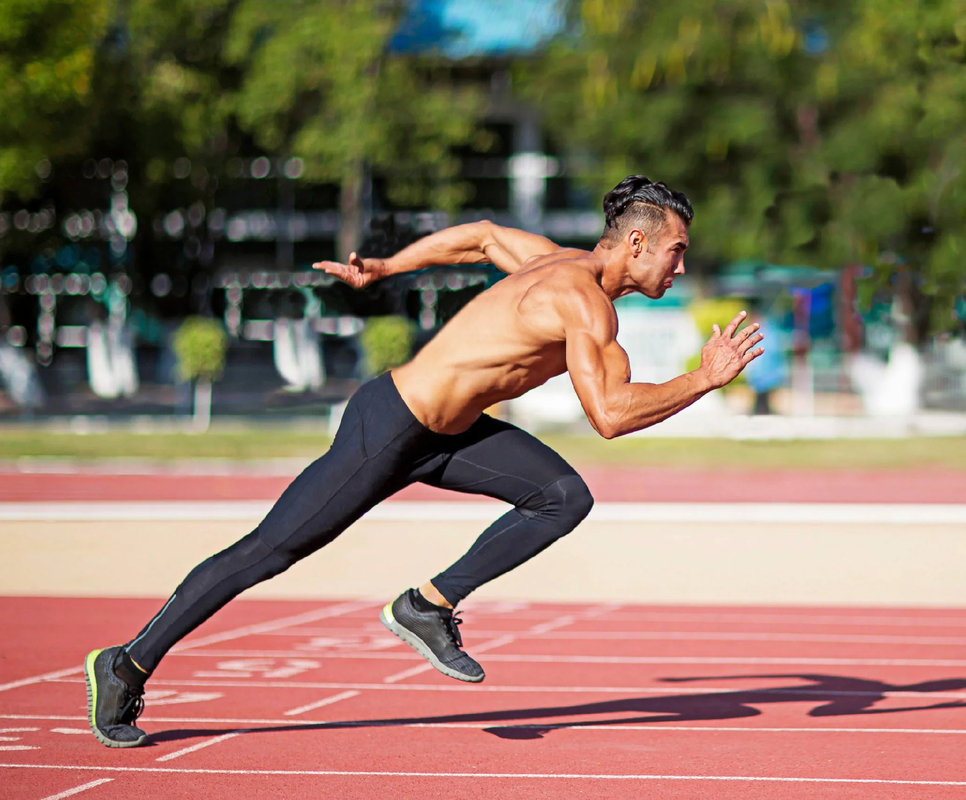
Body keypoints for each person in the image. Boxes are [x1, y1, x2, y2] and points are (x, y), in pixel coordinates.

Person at [84, 175, 765, 748]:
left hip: (450, 434)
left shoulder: (553, 261)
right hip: (390, 427)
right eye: (675, 252)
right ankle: (127, 663)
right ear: (637, 242)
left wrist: (387, 267)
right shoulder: (578, 298)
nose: (679, 267)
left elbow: (481, 235)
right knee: (267, 551)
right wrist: (704, 378)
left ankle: (426, 605)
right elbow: (610, 416)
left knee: (563, 495)